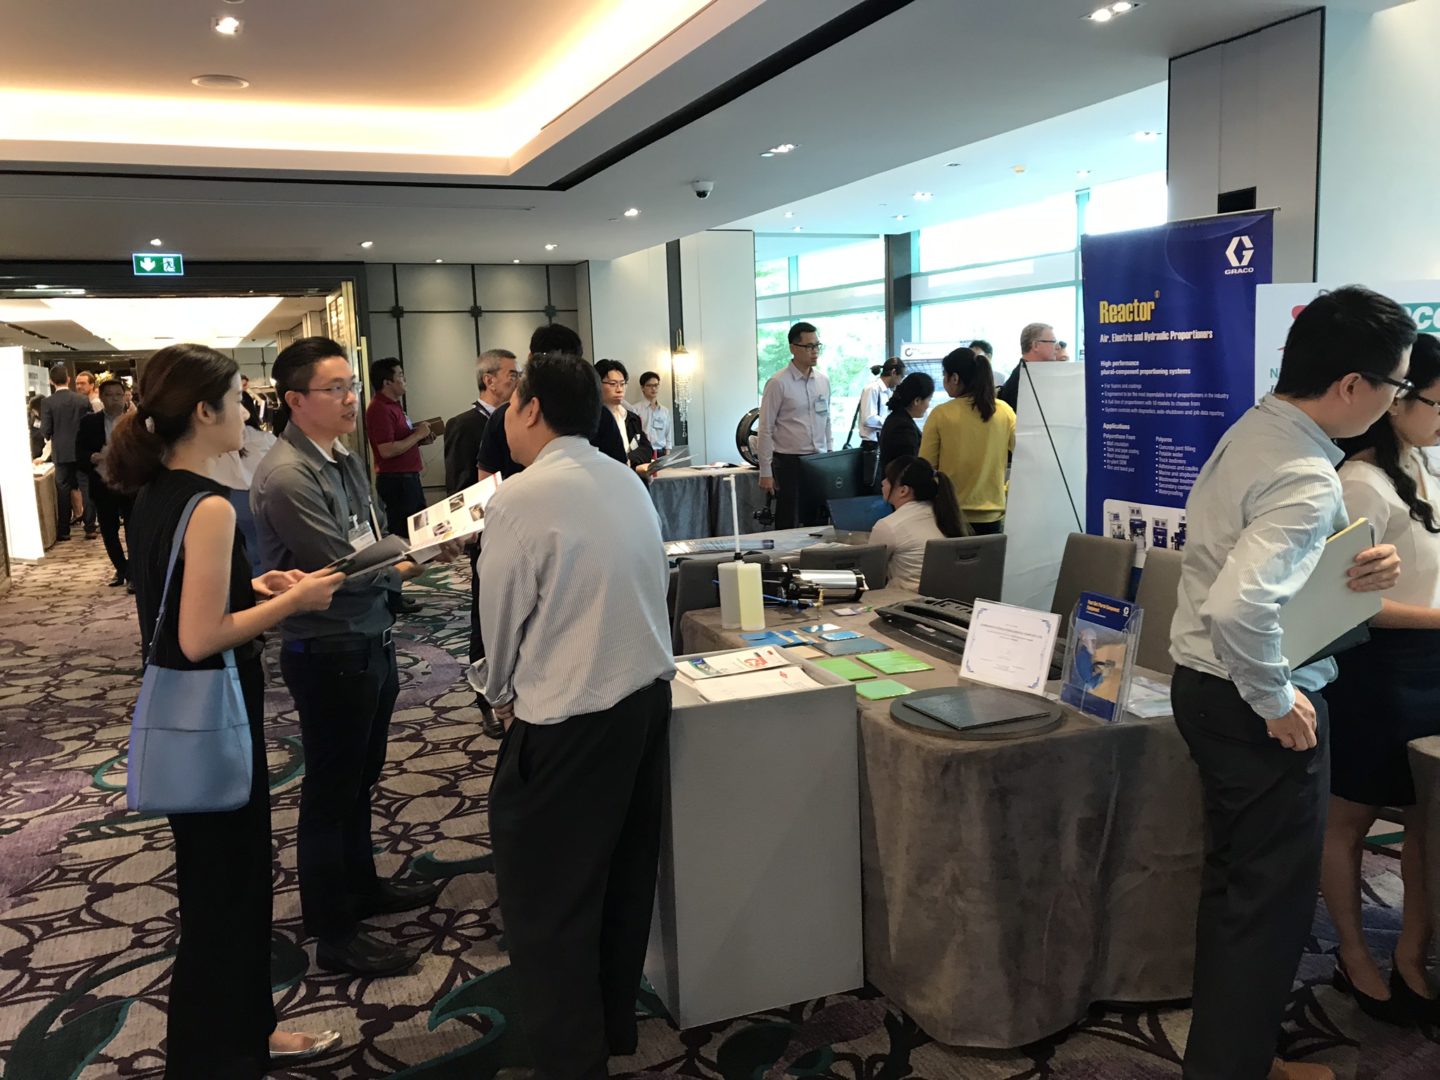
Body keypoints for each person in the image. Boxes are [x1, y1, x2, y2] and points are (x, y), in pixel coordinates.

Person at [1169, 285, 1413, 1080]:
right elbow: (1239, 606)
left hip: (1206, 685)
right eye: (1397, 384)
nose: (1396, 401)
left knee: (1239, 889)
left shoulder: (1260, 428)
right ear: (1352, 384)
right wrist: (1276, 701)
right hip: (1254, 699)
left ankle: (1232, 1055)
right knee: (1267, 905)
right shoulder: (1306, 473)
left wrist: (1353, 566)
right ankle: (1234, 1067)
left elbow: (1241, 566)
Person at [105, 342, 345, 1078]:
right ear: (205, 411)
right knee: (226, 901)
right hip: (211, 713)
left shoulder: (160, 493)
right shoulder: (207, 504)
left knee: (224, 892)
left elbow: (181, 597)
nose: (248, 411)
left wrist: (257, 586)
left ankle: (247, 1034)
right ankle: (219, 1053)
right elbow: (200, 635)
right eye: (239, 399)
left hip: (196, 714)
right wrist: (298, 601)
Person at [475, 351, 674, 1080]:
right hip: (644, 704)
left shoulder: (520, 498)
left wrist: (495, 692)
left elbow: (499, 622)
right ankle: (609, 1027)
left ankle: (569, 1060)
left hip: (569, 718)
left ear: (531, 409)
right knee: (622, 878)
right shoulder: (624, 479)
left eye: (512, 402)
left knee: (548, 902)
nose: (507, 414)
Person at [251, 337, 454, 978]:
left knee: (360, 778)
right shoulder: (288, 474)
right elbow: (343, 567)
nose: (349, 399)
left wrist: (420, 545)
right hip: (330, 647)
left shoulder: (341, 456)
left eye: (351, 386)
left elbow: (372, 535)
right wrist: (418, 557)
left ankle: (361, 887)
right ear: (295, 400)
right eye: (334, 388)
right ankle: (333, 931)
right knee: (330, 790)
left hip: (370, 636)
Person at [1321, 331, 1440, 1028]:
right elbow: (1350, 602)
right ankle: (1353, 954)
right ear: (1397, 401)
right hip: (1376, 672)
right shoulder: (1358, 484)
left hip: (1431, 664)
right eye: (1437, 404)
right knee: (1349, 819)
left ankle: (1412, 954)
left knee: (1428, 819)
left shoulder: (1423, 467)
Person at [475, 323, 626, 481]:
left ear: (530, 359)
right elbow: (619, 473)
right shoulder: (599, 414)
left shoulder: (505, 414)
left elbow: (486, 482)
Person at [919, 348, 1015, 535]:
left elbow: (925, 466)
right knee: (990, 555)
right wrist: (1005, 489)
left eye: (944, 375)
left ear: (955, 378)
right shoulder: (1004, 411)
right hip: (993, 514)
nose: (944, 380)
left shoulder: (941, 414)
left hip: (951, 512)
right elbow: (1027, 456)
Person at [757, 321, 832, 529]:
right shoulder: (778, 382)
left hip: (818, 460)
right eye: (809, 346)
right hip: (789, 462)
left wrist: (831, 455)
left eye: (817, 346)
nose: (814, 351)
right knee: (788, 519)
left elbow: (827, 420)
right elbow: (765, 428)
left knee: (818, 520)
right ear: (793, 348)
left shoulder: (823, 381)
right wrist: (765, 471)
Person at [871, 455, 969, 589]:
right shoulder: (942, 513)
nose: (883, 482)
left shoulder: (888, 526)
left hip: (906, 598)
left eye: (888, 479)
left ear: (903, 490)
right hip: (947, 595)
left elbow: (870, 574)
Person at [365, 356, 433, 539]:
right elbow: (386, 450)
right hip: (398, 481)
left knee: (420, 532)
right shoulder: (379, 408)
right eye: (400, 375)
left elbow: (400, 441)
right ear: (387, 382)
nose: (404, 380)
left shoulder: (394, 406)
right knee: (407, 534)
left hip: (408, 478)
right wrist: (417, 435)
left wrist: (420, 438)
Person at [77, 378, 134, 588]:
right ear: (101, 397)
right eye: (109, 395)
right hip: (103, 483)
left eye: (119, 395)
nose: (115, 399)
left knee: (134, 530)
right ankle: (122, 569)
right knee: (109, 531)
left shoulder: (135, 421)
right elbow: (79, 452)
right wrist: (92, 457)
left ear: (125, 396)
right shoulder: (89, 422)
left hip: (131, 484)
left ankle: (133, 574)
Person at [443, 349, 517, 496]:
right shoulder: (462, 425)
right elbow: (459, 489)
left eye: (520, 376)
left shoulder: (516, 421)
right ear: (489, 381)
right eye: (513, 376)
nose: (519, 382)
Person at [40, 364, 95, 542]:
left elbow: (46, 430)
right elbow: (91, 424)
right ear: (69, 379)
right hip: (82, 451)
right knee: (86, 489)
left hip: (61, 453)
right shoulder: (82, 400)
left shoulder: (47, 402)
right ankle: (90, 527)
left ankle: (64, 530)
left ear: (51, 381)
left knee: (63, 491)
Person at [596, 359, 654, 473]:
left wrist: (629, 461)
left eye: (622, 384)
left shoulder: (632, 418)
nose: (619, 390)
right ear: (597, 384)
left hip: (631, 476)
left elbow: (646, 448)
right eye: (613, 384)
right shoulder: (592, 420)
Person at [877, 372, 933, 484]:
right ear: (917, 401)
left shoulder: (897, 418)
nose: (928, 405)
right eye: (928, 400)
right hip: (901, 489)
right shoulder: (903, 427)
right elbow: (907, 469)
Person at [997, 322, 1059, 412]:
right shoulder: (1020, 383)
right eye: (1053, 342)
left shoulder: (1031, 374)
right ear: (1036, 345)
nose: (1058, 347)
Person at [635, 370, 672, 458]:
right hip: (643, 453)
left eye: (656, 385)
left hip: (661, 453)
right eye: (649, 385)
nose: (653, 389)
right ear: (642, 387)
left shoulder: (664, 411)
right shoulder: (635, 409)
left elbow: (668, 434)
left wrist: (667, 454)